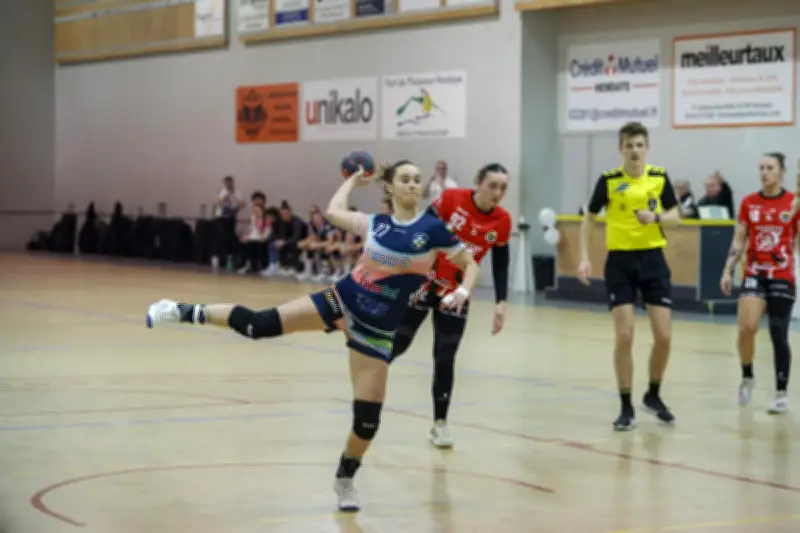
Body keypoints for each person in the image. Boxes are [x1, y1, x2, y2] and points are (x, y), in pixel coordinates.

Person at [144, 160, 480, 512]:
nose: (412, 184)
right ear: (391, 188)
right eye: (405, 179)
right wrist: (353, 181)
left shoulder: (433, 229)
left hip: (377, 331)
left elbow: (469, 264)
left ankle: (345, 477)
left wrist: (462, 291)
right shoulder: (375, 223)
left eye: (416, 179)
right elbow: (334, 212)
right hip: (340, 301)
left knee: (367, 422)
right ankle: (180, 310)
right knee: (259, 325)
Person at [391, 163, 512, 447]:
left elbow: (501, 263)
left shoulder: (502, 220)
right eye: (492, 186)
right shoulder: (450, 199)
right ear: (478, 182)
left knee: (445, 357)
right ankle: (366, 389)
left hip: (456, 293)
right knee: (399, 343)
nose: (497, 193)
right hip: (424, 283)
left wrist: (501, 302)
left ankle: (440, 424)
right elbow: (421, 232)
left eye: (503, 188)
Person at [577, 121, 681, 431]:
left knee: (664, 336)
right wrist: (584, 256)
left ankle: (653, 394)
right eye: (629, 145)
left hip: (653, 261)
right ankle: (625, 406)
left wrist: (656, 217)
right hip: (620, 263)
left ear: (647, 148)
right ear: (621, 149)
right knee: (625, 336)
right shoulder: (609, 180)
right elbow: (589, 218)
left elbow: (676, 216)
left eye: (639, 145)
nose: (634, 151)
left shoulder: (659, 177)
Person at [719, 152, 797, 414]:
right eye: (761, 168)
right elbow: (739, 239)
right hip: (755, 273)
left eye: (770, 168)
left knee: (778, 332)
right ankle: (747, 375)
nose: (764, 172)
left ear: (782, 171)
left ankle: (781, 394)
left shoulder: (793, 203)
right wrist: (727, 270)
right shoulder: (749, 202)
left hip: (782, 275)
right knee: (747, 328)